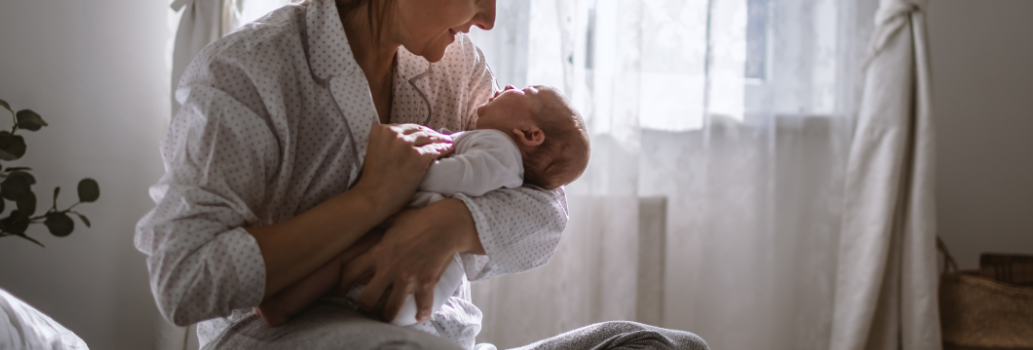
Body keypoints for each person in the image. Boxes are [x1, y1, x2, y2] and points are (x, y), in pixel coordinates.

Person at [134, 0, 709, 348]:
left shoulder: (455, 67)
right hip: (290, 338)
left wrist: (450, 225)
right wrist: (369, 200)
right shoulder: (248, 72)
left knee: (662, 345)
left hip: (439, 336)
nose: (489, 18)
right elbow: (184, 281)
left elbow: (546, 204)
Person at [254, 85, 591, 328]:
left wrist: (409, 175)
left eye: (526, 90)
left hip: (420, 264)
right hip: (424, 290)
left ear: (530, 134)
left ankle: (283, 304)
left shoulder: (499, 146)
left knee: (347, 256)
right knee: (347, 260)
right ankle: (285, 305)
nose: (507, 86)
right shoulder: (499, 143)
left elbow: (465, 177)